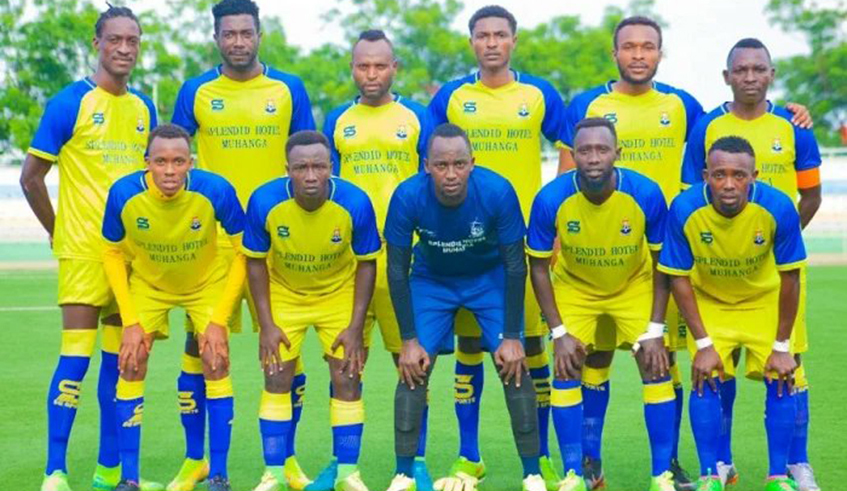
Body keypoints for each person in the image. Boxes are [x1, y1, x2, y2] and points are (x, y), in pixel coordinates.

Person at [561, 18, 812, 490]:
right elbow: (565, 171)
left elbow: (730, 128)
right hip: (595, 257)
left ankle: (674, 465)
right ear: (614, 53)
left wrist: (790, 112)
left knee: (668, 361)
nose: (638, 55)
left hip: (661, 259)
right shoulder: (587, 104)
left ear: (660, 53)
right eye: (629, 47)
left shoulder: (683, 106)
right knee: (593, 359)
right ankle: (589, 465)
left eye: (648, 47)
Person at [171, 0, 315, 488]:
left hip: (279, 241)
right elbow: (171, 155)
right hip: (213, 247)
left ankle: (286, 461)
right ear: (216, 38)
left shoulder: (288, 88)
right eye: (229, 33)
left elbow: (310, 157)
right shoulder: (195, 90)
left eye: (246, 32)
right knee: (202, 349)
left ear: (260, 35)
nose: (238, 41)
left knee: (284, 354)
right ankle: (199, 460)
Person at [19, 5, 158, 491]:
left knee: (121, 363)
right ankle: (55, 471)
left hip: (133, 259)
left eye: (133, 40)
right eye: (115, 39)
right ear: (96, 44)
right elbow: (31, 177)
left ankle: (108, 471)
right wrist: (59, 233)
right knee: (74, 360)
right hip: (82, 252)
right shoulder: (69, 102)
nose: (124, 48)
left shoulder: (145, 109)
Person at [427, 7, 567, 487]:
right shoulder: (453, 96)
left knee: (528, 345)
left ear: (514, 40)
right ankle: (470, 455)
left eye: (500, 35)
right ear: (471, 42)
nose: (491, 43)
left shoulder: (538, 93)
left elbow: (567, 144)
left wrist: (556, 208)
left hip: (523, 242)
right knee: (470, 345)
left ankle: (540, 455)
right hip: (466, 245)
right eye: (482, 35)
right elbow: (429, 155)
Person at [681, 38, 822, 491]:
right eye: (740, 70)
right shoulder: (706, 126)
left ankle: (794, 465)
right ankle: (719, 464)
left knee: (788, 364)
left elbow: (812, 195)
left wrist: (773, 244)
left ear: (771, 74)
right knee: (714, 366)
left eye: (758, 69)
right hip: (714, 271)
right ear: (727, 76)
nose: (749, 77)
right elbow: (691, 195)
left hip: (772, 268)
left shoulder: (794, 125)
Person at [385, 123, 544, 491]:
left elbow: (515, 264)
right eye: (441, 165)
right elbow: (396, 270)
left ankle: (532, 472)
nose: (451, 174)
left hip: (488, 279)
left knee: (513, 363)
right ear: (426, 165)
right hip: (431, 281)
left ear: (472, 162)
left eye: (459, 164)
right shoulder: (407, 196)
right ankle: (403, 474)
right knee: (413, 366)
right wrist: (408, 340)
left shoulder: (497, 191)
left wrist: (511, 335)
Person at [528, 117, 676, 491]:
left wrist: (655, 330)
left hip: (634, 285)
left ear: (617, 154)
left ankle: (662, 475)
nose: (593, 158)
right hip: (576, 289)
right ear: (572, 155)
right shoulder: (551, 198)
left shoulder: (645, 193)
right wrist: (559, 332)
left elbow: (664, 263)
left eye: (602, 149)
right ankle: (576, 474)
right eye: (584, 150)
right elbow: (538, 267)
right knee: (566, 367)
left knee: (655, 363)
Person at [101, 124, 244, 491]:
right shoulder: (123, 193)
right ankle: (129, 478)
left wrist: (218, 319)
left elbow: (245, 253)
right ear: (146, 162)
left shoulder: (215, 190)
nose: (169, 170)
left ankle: (219, 474)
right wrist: (130, 321)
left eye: (178, 161)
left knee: (215, 357)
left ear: (190, 163)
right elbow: (112, 252)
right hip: (150, 285)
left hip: (205, 284)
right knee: (130, 360)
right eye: (160, 161)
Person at [320, 29, 433, 491]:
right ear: (352, 69)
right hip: (349, 262)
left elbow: (435, 182)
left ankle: (414, 464)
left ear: (394, 68)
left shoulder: (417, 118)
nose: (371, 74)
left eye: (379, 66)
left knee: (411, 364)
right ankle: (345, 467)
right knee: (345, 364)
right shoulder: (336, 120)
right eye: (362, 66)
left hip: (406, 261)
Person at [660, 136, 806, 491]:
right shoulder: (684, 208)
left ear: (754, 175)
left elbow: (790, 276)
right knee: (705, 376)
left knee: (785, 378)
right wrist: (703, 342)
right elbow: (678, 279)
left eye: (739, 175)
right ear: (705, 174)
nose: (728, 184)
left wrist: (783, 344)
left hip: (763, 301)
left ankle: (778, 477)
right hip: (710, 302)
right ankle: (711, 474)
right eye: (719, 174)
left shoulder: (778, 206)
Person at [243, 131, 380, 491]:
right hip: (285, 294)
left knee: (347, 377)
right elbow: (255, 263)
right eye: (301, 167)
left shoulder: (355, 202)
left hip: (338, 294)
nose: (310, 176)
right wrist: (266, 323)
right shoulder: (264, 201)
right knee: (276, 377)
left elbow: (367, 264)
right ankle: (273, 472)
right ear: (286, 169)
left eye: (319, 166)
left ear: (330, 168)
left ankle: (348, 473)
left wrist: (355, 326)